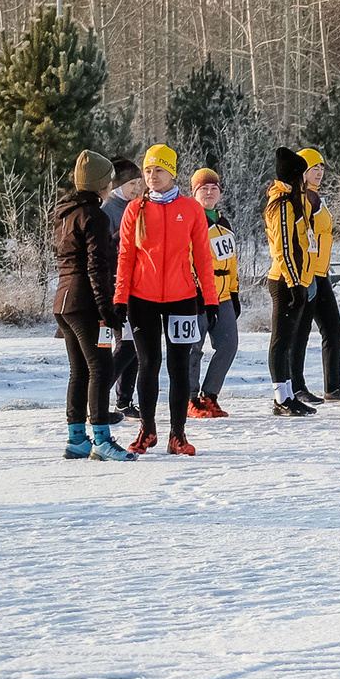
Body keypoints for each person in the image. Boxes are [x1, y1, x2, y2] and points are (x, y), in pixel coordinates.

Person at [112, 144, 218, 456]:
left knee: (179, 367)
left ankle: (178, 435)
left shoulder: (191, 209)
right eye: (147, 170)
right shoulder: (135, 210)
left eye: (158, 170)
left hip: (182, 298)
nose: (152, 176)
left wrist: (210, 300)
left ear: (172, 172)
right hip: (141, 299)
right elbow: (125, 258)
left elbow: (203, 258)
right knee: (148, 364)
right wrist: (120, 299)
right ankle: (147, 429)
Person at [56, 150, 131, 460]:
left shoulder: (65, 213)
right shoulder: (94, 216)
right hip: (86, 302)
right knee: (100, 368)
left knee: (80, 372)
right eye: (109, 181)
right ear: (100, 184)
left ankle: (77, 438)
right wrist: (107, 308)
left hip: (63, 302)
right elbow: (96, 266)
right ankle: (101, 438)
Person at [296, 148, 340, 403]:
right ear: (303, 172)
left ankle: (333, 387)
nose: (319, 172)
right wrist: (302, 274)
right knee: (300, 332)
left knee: (333, 329)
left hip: (321, 273)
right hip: (305, 274)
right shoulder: (300, 200)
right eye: (313, 167)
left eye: (321, 167)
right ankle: (296, 388)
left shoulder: (317, 198)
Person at [264, 148, 320, 417]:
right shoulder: (282, 205)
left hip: (299, 278)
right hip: (285, 280)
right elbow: (283, 248)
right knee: (280, 341)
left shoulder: (297, 201)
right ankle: (281, 398)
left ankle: (288, 394)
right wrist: (295, 282)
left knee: (287, 341)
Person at [189, 167, 242, 419]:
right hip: (197, 295)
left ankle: (210, 395)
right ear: (195, 192)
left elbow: (230, 261)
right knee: (194, 348)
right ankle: (189, 398)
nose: (209, 193)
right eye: (203, 188)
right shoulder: (190, 219)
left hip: (223, 296)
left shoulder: (223, 222)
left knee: (228, 345)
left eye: (213, 188)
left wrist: (234, 291)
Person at [102, 155, 140, 419]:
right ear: (117, 185)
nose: (137, 189)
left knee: (135, 345)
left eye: (140, 183)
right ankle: (99, 395)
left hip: (138, 287)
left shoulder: (135, 207)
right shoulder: (110, 211)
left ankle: (124, 401)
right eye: (132, 184)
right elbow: (104, 253)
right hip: (116, 287)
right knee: (126, 345)